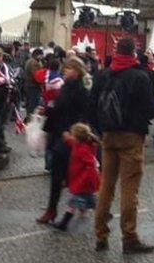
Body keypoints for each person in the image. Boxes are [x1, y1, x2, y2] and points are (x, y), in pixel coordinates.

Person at [89, 37, 154, 254]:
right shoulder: (139, 76)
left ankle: (101, 235)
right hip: (131, 135)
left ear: (117, 51)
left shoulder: (103, 74)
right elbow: (152, 109)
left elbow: (91, 105)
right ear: (134, 53)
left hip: (108, 135)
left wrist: (100, 130)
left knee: (106, 186)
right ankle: (129, 237)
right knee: (129, 189)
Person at [37, 56, 91, 224]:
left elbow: (84, 115)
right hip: (59, 136)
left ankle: (85, 202)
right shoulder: (64, 87)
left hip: (71, 138)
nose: (64, 71)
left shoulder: (82, 91)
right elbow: (59, 108)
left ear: (76, 71)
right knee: (56, 176)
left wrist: (74, 133)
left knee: (73, 175)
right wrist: (46, 110)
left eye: (68, 68)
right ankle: (51, 210)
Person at [52, 122, 101, 232]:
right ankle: (104, 214)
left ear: (78, 137)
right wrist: (67, 138)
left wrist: (84, 179)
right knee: (91, 201)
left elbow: (91, 164)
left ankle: (64, 223)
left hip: (84, 180)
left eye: (72, 134)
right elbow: (72, 143)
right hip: (82, 179)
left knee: (73, 202)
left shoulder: (83, 149)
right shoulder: (78, 144)